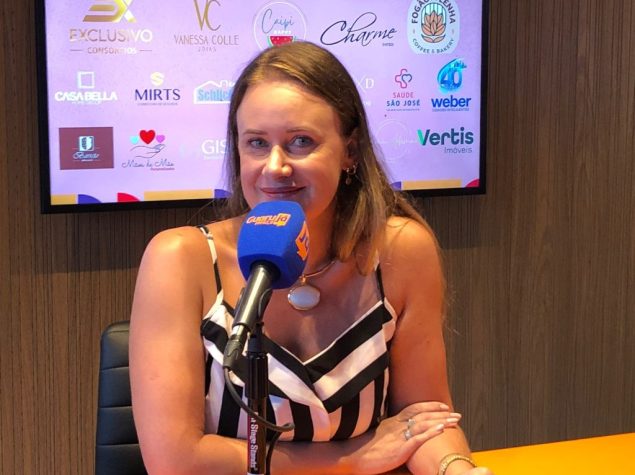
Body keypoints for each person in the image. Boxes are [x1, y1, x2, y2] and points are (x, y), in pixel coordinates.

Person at [129, 41, 492, 475]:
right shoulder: (179, 259)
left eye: (301, 142)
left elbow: (424, 420)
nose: (275, 166)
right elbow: (174, 462)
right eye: (257, 143)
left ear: (350, 150)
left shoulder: (401, 250)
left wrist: (456, 468)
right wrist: (350, 461)